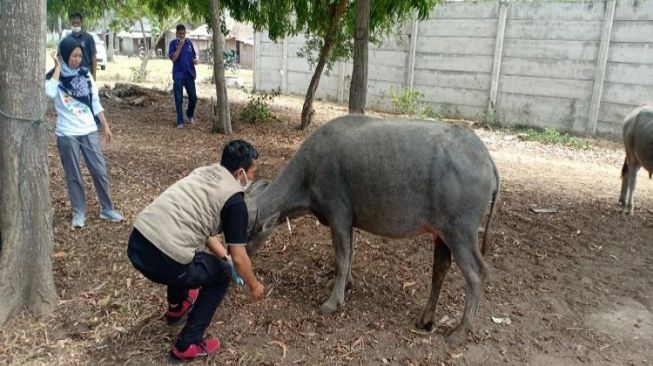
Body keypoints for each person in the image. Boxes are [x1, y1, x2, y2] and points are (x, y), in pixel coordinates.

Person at [127, 140, 265, 362]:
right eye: (253, 171)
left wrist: (224, 256)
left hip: (137, 242)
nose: (253, 177)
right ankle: (187, 344)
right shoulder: (235, 201)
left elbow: (207, 233)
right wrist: (255, 286)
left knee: (187, 251)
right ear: (240, 173)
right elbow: (239, 259)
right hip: (164, 258)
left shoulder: (204, 172)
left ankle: (177, 308)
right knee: (221, 274)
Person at [45, 37, 124, 229]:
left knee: (99, 170)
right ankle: (79, 212)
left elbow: (95, 101)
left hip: (89, 129)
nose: (78, 59)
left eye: (80, 55)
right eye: (73, 56)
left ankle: (107, 208)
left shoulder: (86, 74)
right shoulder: (53, 78)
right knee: (73, 174)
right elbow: (48, 93)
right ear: (64, 55)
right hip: (67, 133)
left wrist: (105, 125)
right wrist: (57, 68)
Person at [168, 24, 198, 129]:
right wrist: (180, 46)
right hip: (178, 75)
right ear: (176, 34)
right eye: (180, 33)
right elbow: (174, 59)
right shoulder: (173, 44)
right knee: (179, 99)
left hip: (189, 74)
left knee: (193, 97)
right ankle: (180, 121)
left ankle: (189, 114)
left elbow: (193, 56)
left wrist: (195, 61)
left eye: (184, 33)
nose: (182, 35)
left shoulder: (189, 43)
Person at [64, 11, 97, 80]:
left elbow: (93, 56)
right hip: (71, 74)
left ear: (81, 23)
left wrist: (94, 75)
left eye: (77, 23)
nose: (75, 25)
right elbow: (62, 58)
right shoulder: (67, 39)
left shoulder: (89, 38)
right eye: (73, 23)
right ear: (70, 22)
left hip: (86, 74)